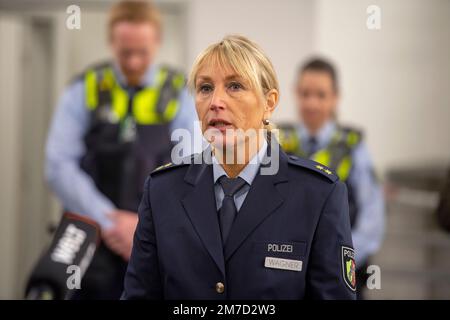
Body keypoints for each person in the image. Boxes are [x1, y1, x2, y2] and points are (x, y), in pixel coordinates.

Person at [122, 35, 356, 300]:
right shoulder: (162, 191)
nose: (215, 102)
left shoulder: (318, 195)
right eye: (205, 88)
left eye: (234, 86)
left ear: (269, 102)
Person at [45, 1, 199, 299]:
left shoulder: (180, 94)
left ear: (157, 42)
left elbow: (191, 169)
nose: (133, 62)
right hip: (88, 239)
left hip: (155, 239)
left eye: (142, 52)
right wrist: (110, 223)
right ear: (111, 42)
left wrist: (141, 228)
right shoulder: (84, 89)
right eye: (125, 52)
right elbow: (58, 166)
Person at [279, 58, 385, 298]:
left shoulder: (353, 147)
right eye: (305, 93)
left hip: (339, 279)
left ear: (336, 97)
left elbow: (372, 221)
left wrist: (334, 262)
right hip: (286, 278)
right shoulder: (276, 145)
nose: (311, 103)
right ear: (295, 93)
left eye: (321, 95)